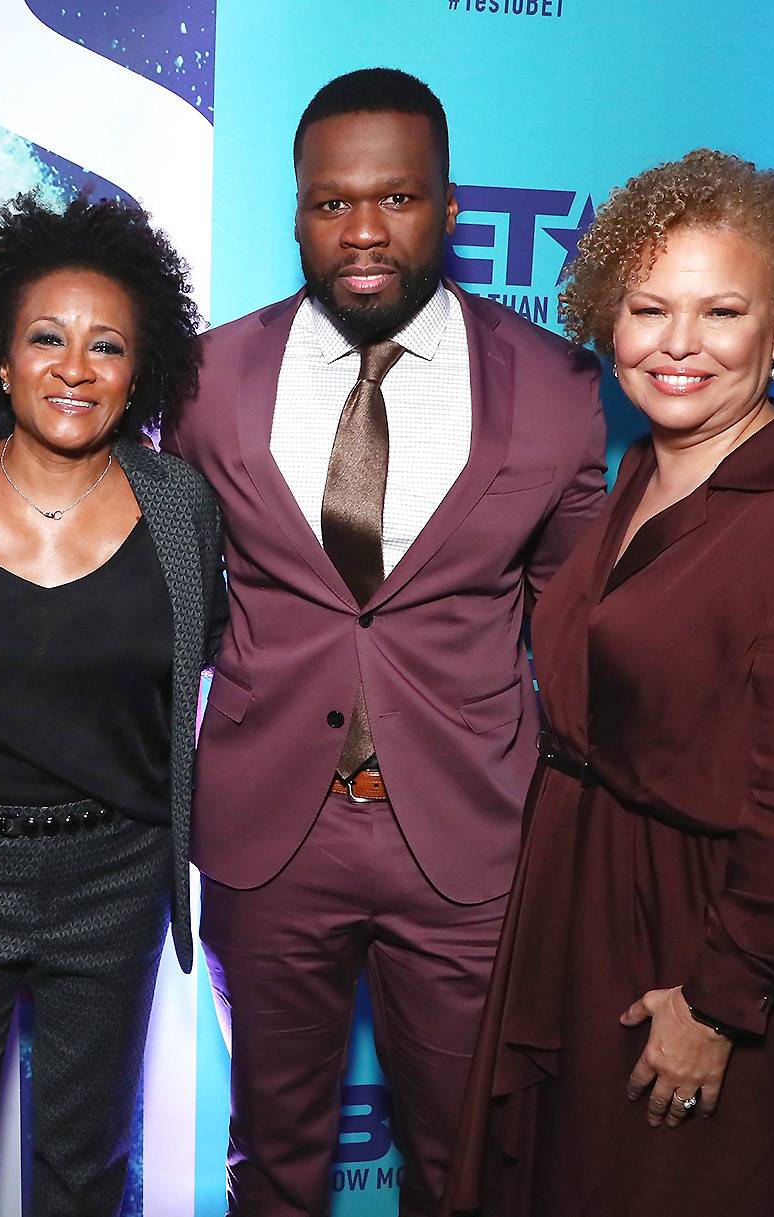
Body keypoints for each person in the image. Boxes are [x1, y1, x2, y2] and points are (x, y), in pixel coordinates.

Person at [161, 68, 608, 1215]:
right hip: (270, 833)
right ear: (300, 209)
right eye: (331, 203)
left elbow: (581, 630)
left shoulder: (556, 387)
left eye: (397, 198)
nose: (363, 231)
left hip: (467, 840)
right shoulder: (208, 381)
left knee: (469, 1158)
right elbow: (177, 595)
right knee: (273, 1156)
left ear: (451, 206)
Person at [443, 149, 774, 1216]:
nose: (680, 344)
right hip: (580, 902)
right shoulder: (646, 471)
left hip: (697, 948)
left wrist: (719, 998)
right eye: (650, 308)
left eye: (722, 311)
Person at [0, 191, 222, 1217]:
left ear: (138, 371)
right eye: (47, 338)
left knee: (84, 1168)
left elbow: (217, 661)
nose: (75, 366)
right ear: (0, 359)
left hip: (112, 874)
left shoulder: (183, 510)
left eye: (107, 345)